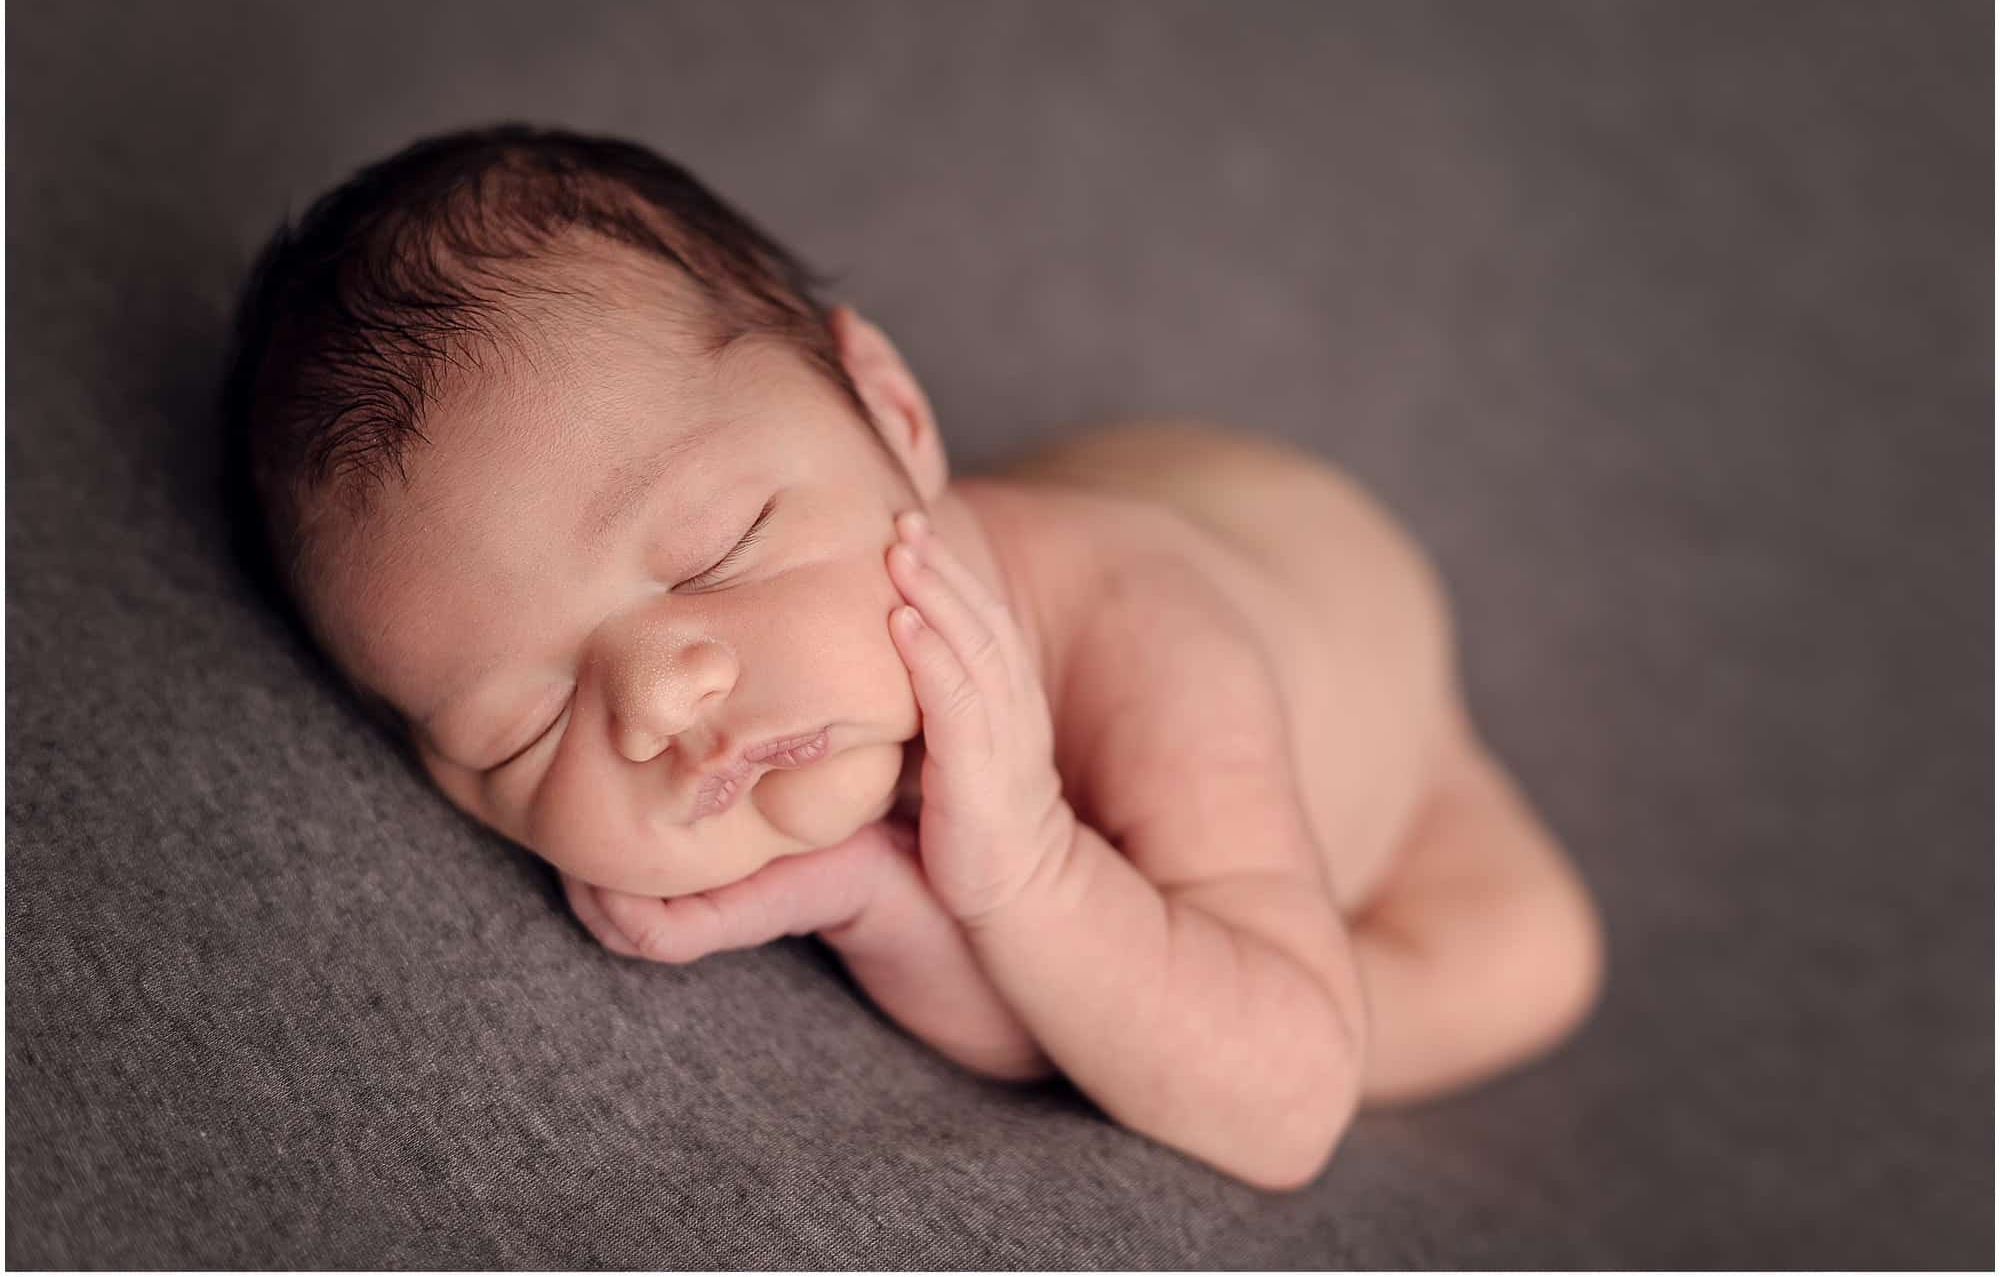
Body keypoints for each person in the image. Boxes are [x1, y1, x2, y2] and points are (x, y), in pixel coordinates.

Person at [221, 124, 1606, 1192]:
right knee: (1092, 996)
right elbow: (1021, 1017)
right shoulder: (810, 690)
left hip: (1323, 630)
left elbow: (1289, 1102)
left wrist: (1032, 867)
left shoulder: (1150, 642)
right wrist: (872, 888)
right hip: (1049, 519)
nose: (657, 700)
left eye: (718, 545)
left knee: (1531, 956)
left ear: (893, 408)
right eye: (521, 729)